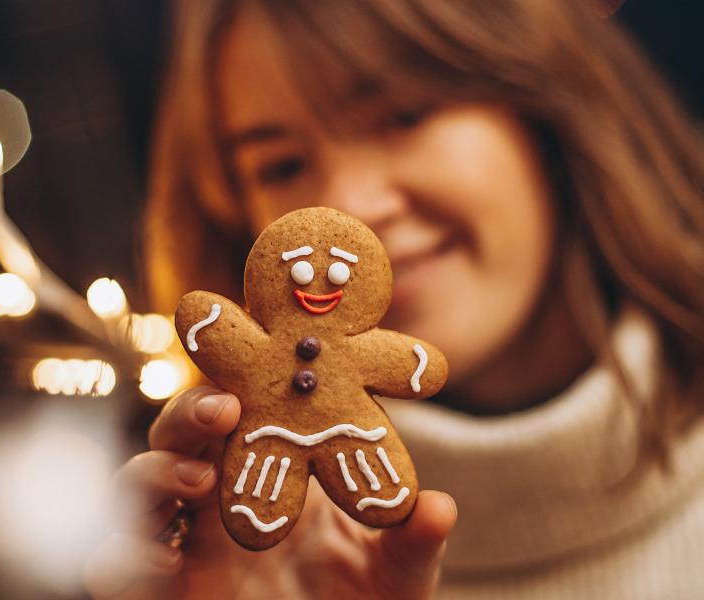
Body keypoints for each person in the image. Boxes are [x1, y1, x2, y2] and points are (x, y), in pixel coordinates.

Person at [84, 0, 704, 598]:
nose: (353, 207)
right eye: (282, 166)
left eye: (403, 116)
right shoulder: (274, 555)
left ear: (542, 104)